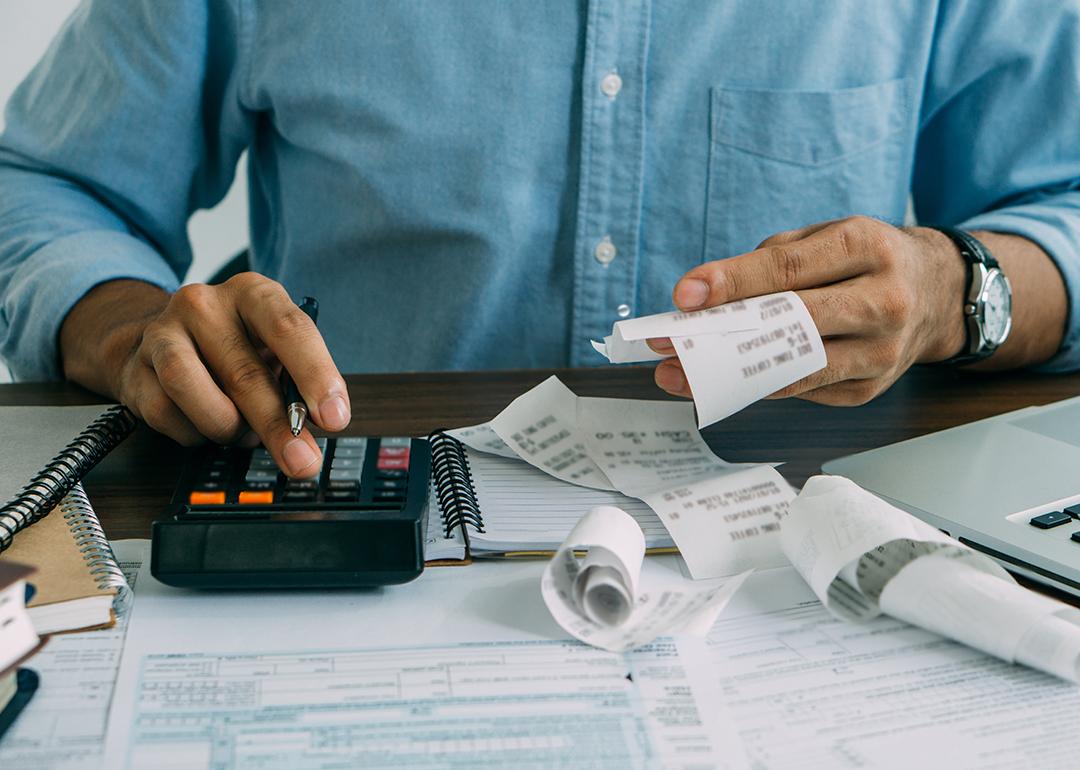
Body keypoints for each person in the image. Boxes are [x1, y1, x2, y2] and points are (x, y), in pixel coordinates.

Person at [1, 2, 1078, 478]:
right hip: (359, 523)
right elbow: (41, 186)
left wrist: (957, 289)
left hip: (807, 562)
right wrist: (135, 327)